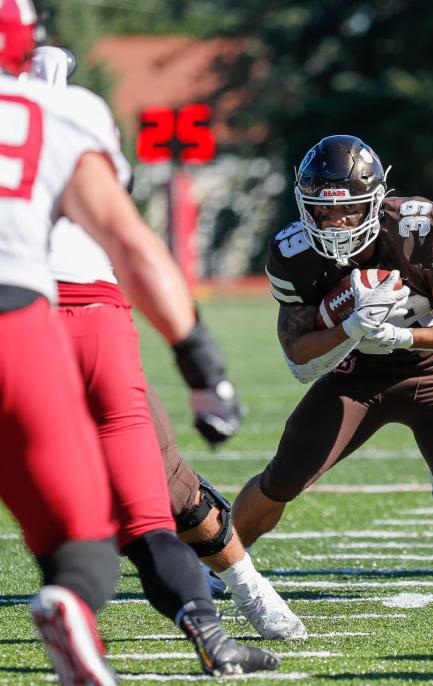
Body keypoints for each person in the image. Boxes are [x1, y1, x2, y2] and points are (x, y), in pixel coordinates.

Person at [0, 8, 279, 682]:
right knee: (118, 527)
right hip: (52, 320)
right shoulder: (62, 114)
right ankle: (180, 621)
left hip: (43, 318)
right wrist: (201, 362)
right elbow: (131, 243)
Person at [231, 134, 433, 552]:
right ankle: (215, 561)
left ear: (375, 201)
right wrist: (350, 327)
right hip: (354, 374)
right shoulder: (294, 251)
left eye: (349, 209)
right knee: (282, 478)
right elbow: (298, 357)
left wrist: (399, 335)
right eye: (323, 210)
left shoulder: (419, 229)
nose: (336, 222)